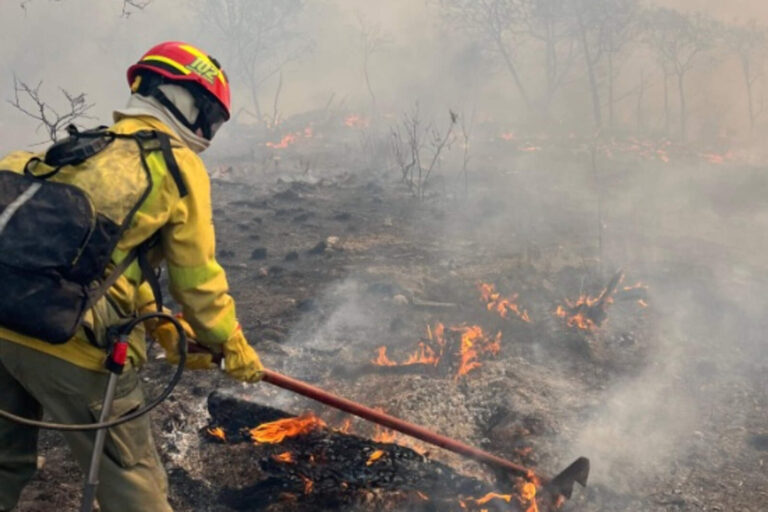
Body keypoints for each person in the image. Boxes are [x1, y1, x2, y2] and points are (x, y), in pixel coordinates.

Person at [0, 41, 263, 512]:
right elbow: (197, 280)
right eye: (209, 115)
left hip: (4, 325)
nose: (207, 129)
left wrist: (162, 327)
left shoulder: (78, 151)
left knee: (2, 464)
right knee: (133, 485)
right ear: (185, 101)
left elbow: (104, 256)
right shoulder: (174, 164)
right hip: (74, 345)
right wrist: (228, 341)